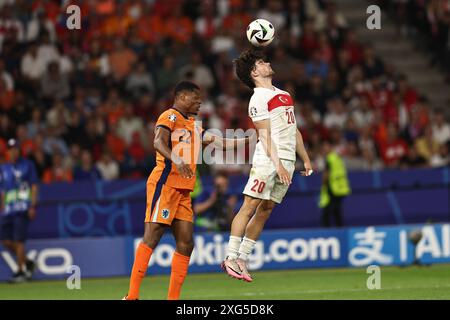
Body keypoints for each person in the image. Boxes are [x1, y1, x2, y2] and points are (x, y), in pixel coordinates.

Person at [123, 81, 251, 300]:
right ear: (182, 97)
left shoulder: (193, 125)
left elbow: (219, 142)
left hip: (183, 191)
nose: (200, 102)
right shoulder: (169, 116)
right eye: (196, 98)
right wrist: (176, 158)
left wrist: (251, 140)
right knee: (152, 237)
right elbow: (158, 142)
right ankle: (132, 296)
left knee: (186, 243)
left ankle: (173, 299)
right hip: (165, 185)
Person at [222, 49, 313, 282]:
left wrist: (305, 158)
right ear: (254, 71)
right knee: (250, 205)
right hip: (268, 160)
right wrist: (278, 165)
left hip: (287, 160)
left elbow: (294, 131)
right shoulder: (258, 98)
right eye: (262, 62)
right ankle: (230, 257)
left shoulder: (283, 94)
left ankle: (242, 258)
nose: (268, 63)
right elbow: (264, 135)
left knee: (266, 210)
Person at [0, 139, 39, 283]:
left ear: (19, 150)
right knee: (5, 241)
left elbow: (34, 186)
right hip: (8, 210)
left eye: (15, 148)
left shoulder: (28, 165)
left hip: (22, 208)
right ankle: (28, 262)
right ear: (7, 151)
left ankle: (20, 271)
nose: (13, 151)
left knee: (18, 240)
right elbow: (3, 190)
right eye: (10, 149)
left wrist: (32, 205)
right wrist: (2, 205)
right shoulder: (3, 168)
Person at [318, 140, 351, 227]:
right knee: (336, 211)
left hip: (333, 188)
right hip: (340, 188)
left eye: (326, 147)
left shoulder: (329, 158)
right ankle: (339, 229)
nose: (325, 149)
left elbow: (326, 174)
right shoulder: (337, 157)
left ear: (330, 147)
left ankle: (327, 231)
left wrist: (323, 185)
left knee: (328, 211)